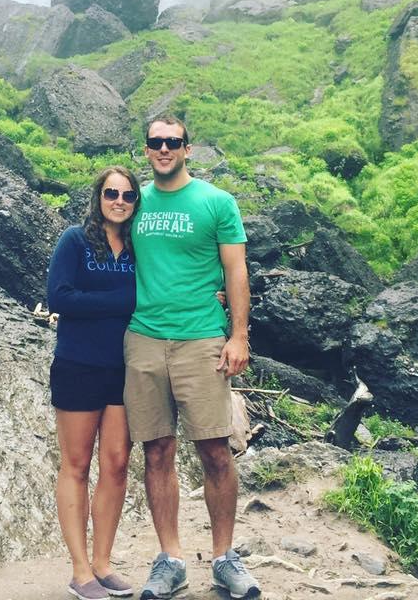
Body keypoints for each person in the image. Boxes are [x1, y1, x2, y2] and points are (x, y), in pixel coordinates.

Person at [125, 116, 262, 600]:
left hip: (201, 339)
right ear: (146, 150)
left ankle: (224, 558)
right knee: (157, 450)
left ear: (187, 148)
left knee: (215, 450)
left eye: (173, 142)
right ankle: (171, 560)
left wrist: (238, 336)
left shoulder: (217, 202)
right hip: (142, 338)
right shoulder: (133, 202)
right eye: (156, 142)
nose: (164, 149)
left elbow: (236, 270)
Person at [47, 166, 141, 600]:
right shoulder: (75, 240)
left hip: (124, 368)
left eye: (127, 195)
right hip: (79, 363)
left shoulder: (140, 248)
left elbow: (165, 286)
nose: (119, 201)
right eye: (111, 193)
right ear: (98, 197)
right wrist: (124, 301)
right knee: (77, 464)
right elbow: (59, 297)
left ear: (136, 201)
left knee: (117, 463)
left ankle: (103, 563)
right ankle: (80, 570)